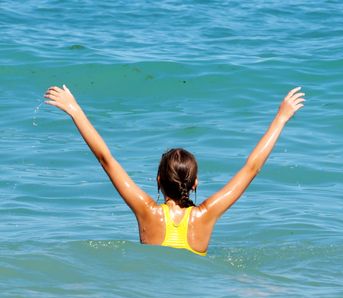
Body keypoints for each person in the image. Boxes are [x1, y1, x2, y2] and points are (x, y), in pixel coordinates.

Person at [44, 85, 305, 256]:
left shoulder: (147, 211)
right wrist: (281, 117)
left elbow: (106, 159)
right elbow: (251, 168)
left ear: (158, 181)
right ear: (195, 184)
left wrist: (74, 109)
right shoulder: (206, 215)